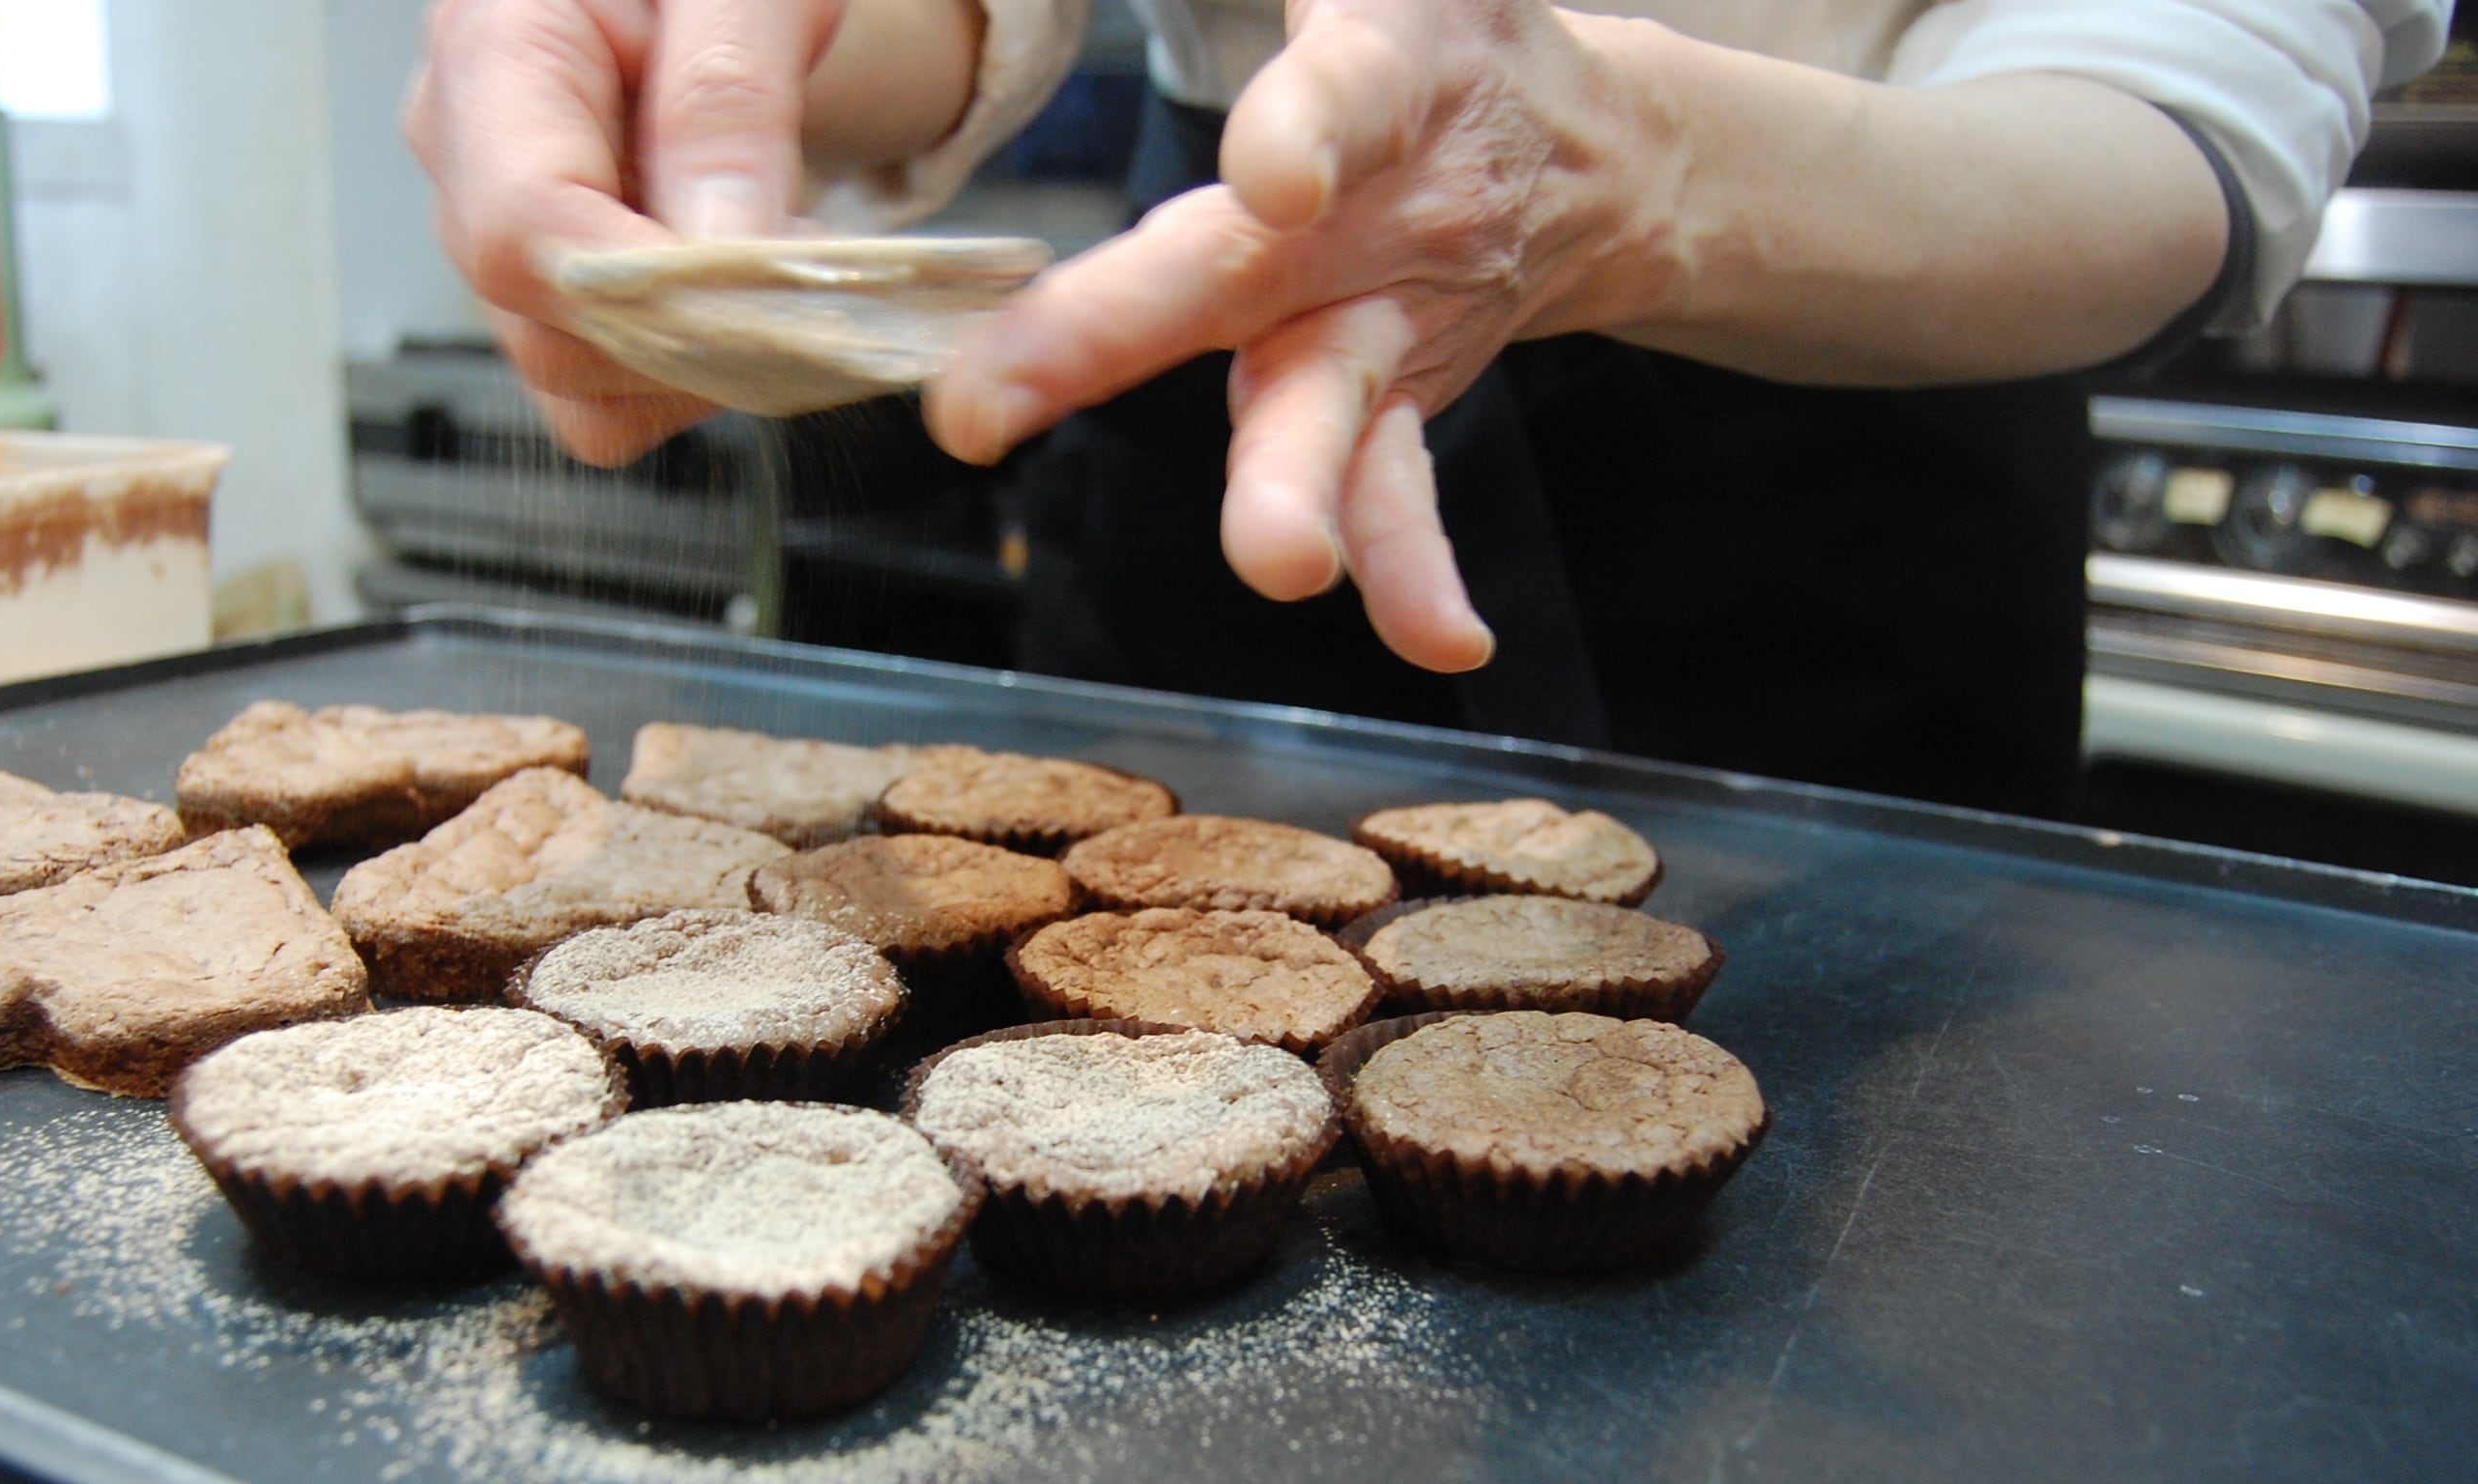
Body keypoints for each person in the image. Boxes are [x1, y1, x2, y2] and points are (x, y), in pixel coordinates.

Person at [406, 0, 2449, 814]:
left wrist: (1637, 174)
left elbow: (2204, 86)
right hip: (1224, 336)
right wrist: (706, 48)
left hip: (1857, 374)